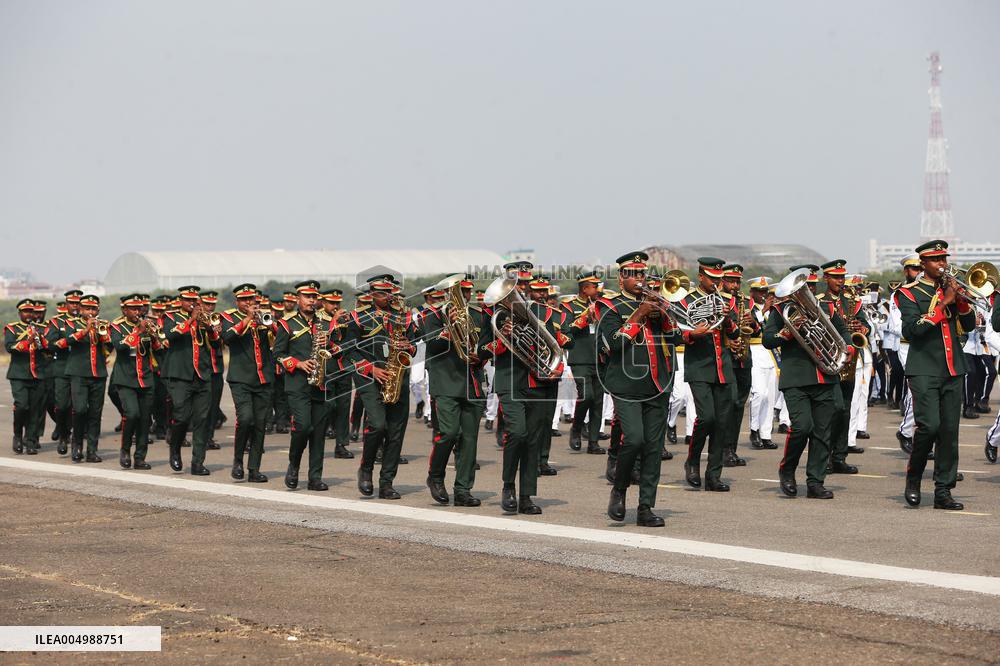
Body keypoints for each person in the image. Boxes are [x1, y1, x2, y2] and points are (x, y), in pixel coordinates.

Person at [598, 251, 679, 527]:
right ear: (622, 278)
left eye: (642, 274)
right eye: (633, 275)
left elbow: (677, 337)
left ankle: (646, 507)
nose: (640, 279)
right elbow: (611, 345)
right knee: (633, 439)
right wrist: (639, 314)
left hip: (658, 385)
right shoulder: (610, 307)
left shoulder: (658, 304)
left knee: (654, 448)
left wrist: (665, 313)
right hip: (626, 385)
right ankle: (619, 490)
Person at [477, 260, 561, 515]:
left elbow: (554, 344)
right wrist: (503, 336)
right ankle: (508, 486)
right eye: (517, 285)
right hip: (510, 382)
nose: (522, 289)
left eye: (525, 284)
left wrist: (555, 367)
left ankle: (526, 495)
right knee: (518, 434)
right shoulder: (493, 316)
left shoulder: (543, 312)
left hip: (538, 383)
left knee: (533, 440)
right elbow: (482, 350)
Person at [895, 240, 974, 510]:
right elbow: (912, 330)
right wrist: (944, 304)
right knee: (929, 426)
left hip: (953, 368)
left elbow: (970, 324)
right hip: (924, 369)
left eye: (944, 258)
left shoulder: (951, 287)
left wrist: (961, 302)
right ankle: (914, 478)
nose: (943, 264)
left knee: (950, 432)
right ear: (924, 264)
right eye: (937, 260)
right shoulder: (908, 293)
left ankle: (944, 491)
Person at [764, 273, 854, 499]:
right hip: (796, 378)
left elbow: (842, 331)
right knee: (802, 427)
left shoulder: (826, 308)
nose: (809, 291)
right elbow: (768, 340)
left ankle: (815, 481)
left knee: (822, 433)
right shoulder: (780, 311)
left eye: (811, 286)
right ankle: (787, 470)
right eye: (805, 287)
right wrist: (786, 333)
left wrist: (849, 347)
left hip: (824, 377)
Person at [344, 274, 417, 499]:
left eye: (388, 292)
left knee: (395, 433)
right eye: (379, 292)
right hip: (369, 379)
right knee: (377, 425)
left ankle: (387, 482)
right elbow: (349, 351)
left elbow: (415, 343)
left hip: (397, 378)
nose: (384, 296)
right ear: (371, 293)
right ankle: (365, 469)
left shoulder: (404, 318)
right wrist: (371, 369)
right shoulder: (357, 318)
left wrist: (408, 347)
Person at [420, 273, 487, 506]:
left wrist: (483, 355)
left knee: (469, 439)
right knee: (448, 433)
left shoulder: (478, 315)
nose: (465, 296)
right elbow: (431, 342)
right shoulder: (433, 315)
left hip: (473, 382)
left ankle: (463, 489)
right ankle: (435, 476)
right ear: (448, 293)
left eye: (467, 291)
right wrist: (449, 329)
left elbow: (486, 345)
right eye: (460, 292)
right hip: (446, 381)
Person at [681, 257, 740, 492]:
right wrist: (693, 334)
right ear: (701, 276)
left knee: (722, 423)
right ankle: (692, 460)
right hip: (699, 367)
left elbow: (734, 335)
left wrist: (727, 320)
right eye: (712, 279)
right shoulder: (686, 300)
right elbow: (678, 333)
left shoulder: (726, 301)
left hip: (722, 367)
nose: (716, 283)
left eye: (719, 279)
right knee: (707, 418)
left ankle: (713, 475)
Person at [273, 280, 339, 491]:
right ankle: (293, 465)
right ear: (298, 298)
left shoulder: (326, 323)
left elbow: (338, 348)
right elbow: (278, 354)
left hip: (321, 384)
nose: (311, 301)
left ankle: (315, 477)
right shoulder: (286, 323)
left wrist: (331, 347)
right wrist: (298, 363)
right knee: (302, 427)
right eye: (307, 297)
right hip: (298, 385)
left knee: (319, 432)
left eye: (314, 297)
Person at [817, 260, 869, 475]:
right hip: (828, 360)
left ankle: (839, 456)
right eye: (836, 277)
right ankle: (825, 456)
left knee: (845, 410)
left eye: (842, 277)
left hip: (850, 361)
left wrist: (862, 328)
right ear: (826, 279)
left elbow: (866, 326)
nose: (840, 281)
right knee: (832, 409)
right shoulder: (819, 302)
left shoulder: (852, 303)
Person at [220, 283, 275, 482]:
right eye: (244, 300)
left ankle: (254, 469)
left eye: (251, 299)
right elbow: (227, 337)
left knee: (260, 424)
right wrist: (248, 319)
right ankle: (237, 460)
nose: (249, 303)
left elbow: (279, 338)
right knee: (246, 419)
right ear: (237, 301)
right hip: (241, 378)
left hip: (264, 377)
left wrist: (271, 323)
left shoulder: (264, 315)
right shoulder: (228, 317)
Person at [162, 285, 218, 475]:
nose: (192, 304)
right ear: (181, 301)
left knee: (202, 419)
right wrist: (192, 320)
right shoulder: (170, 316)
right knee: (182, 416)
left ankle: (197, 462)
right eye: (188, 300)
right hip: (179, 375)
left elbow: (218, 343)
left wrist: (212, 329)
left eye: (195, 301)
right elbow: (170, 335)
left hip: (202, 374)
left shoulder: (206, 319)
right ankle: (175, 447)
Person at [109, 294, 162, 470]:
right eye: (133, 309)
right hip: (126, 378)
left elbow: (158, 348)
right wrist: (138, 331)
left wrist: (153, 335)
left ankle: (140, 457)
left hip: (146, 378)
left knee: (145, 420)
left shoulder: (148, 324)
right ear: (124, 310)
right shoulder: (117, 326)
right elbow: (120, 346)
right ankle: (125, 449)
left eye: (139, 308)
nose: (137, 312)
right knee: (132, 414)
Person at [64, 295, 113, 463]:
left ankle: (92, 450)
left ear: (97, 310)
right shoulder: (71, 323)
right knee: (79, 410)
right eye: (87, 309)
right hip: (78, 373)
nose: (90, 312)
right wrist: (86, 330)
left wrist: (106, 338)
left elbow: (112, 346)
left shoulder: (104, 325)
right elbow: (68, 341)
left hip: (98, 373)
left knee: (95, 413)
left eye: (93, 309)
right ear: (81, 309)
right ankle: (76, 444)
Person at [563, 270, 607, 455]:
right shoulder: (569, 307)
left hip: (600, 358)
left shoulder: (603, 306)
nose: (598, 289)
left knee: (598, 401)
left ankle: (594, 441)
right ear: (584, 288)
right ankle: (577, 427)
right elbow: (566, 330)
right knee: (586, 396)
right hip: (580, 358)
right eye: (594, 286)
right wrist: (584, 318)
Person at [720, 264, 757, 466]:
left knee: (739, 405)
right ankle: (724, 449)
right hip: (727, 358)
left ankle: (731, 449)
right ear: (722, 281)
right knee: (730, 403)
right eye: (731, 281)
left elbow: (758, 331)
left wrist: (753, 322)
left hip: (744, 360)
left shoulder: (746, 301)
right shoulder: (718, 300)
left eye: (737, 282)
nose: (734, 285)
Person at [5, 299, 47, 455]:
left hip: (38, 373)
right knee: (22, 406)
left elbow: (47, 349)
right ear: (20, 313)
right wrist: (27, 341)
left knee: (35, 410)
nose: (29, 314)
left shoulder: (41, 329)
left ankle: (30, 440)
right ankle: (17, 434)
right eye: (26, 311)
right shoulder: (12, 328)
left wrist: (41, 341)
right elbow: (10, 347)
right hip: (19, 374)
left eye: (31, 311)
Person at [44, 289, 83, 454]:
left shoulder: (88, 321)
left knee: (79, 406)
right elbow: (49, 344)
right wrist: (67, 341)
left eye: (78, 303)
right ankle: (63, 434)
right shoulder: (56, 322)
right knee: (61, 405)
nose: (75, 306)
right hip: (62, 368)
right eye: (72, 303)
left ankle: (76, 439)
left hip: (82, 368)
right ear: (66, 304)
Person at [320, 289, 355, 459]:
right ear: (323, 303)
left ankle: (341, 444)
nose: (335, 306)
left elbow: (352, 341)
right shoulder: (318, 319)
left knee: (343, 407)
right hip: (326, 368)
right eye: (331, 303)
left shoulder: (343, 319)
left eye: (337, 303)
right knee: (328, 406)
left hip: (343, 368)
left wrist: (350, 324)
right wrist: (334, 320)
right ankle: (318, 437)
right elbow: (322, 339)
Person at [747, 277, 779, 449]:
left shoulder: (774, 310)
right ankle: (754, 429)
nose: (763, 295)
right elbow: (750, 327)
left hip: (771, 354)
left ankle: (766, 434)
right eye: (759, 292)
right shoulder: (748, 308)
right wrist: (763, 310)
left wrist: (770, 310)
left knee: (771, 396)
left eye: (765, 291)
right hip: (755, 351)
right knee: (759, 393)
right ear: (752, 292)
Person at [200, 291, 225, 450]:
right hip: (201, 369)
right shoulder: (196, 321)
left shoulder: (218, 319)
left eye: (212, 304)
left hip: (216, 368)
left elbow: (223, 342)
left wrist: (219, 331)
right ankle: (200, 437)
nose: (210, 307)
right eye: (207, 304)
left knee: (214, 406)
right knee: (202, 407)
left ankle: (209, 437)